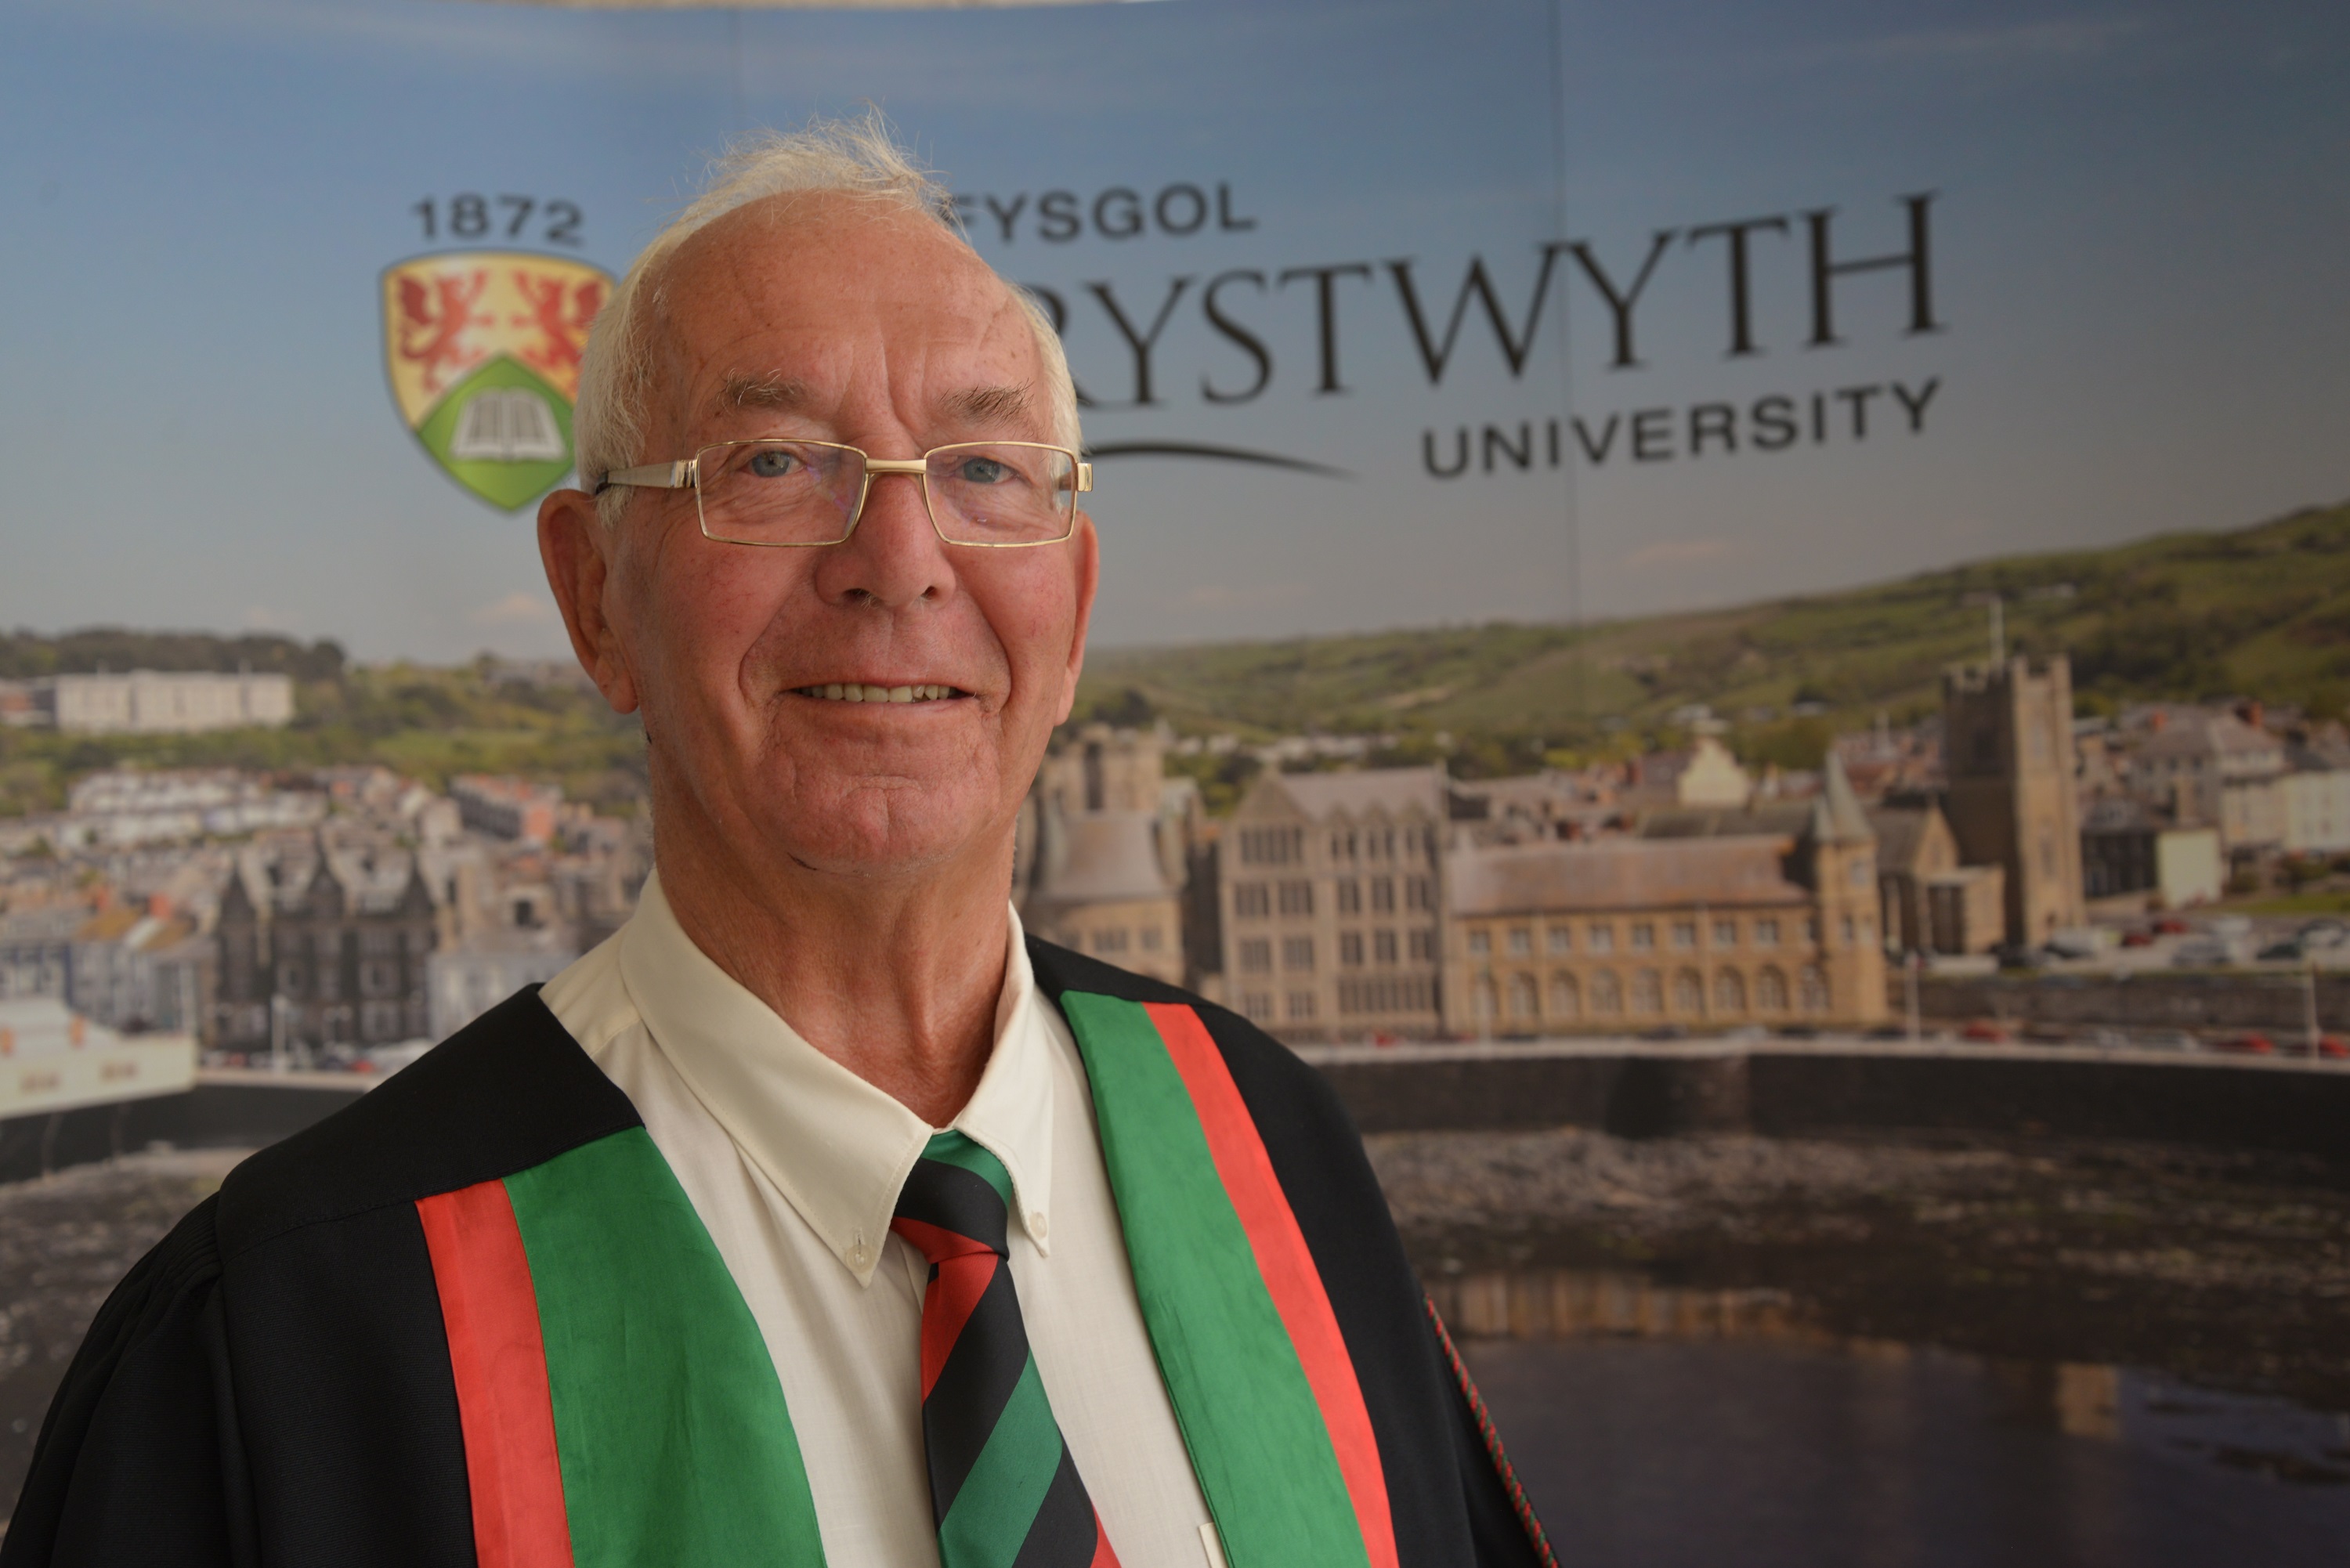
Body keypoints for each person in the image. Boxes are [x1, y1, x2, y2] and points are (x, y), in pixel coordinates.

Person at [3, 119, 1550, 1568]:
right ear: (595, 595)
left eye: (984, 470)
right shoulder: (286, 1328)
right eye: (773, 463)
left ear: (1071, 613)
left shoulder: (1275, 1146)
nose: (901, 562)